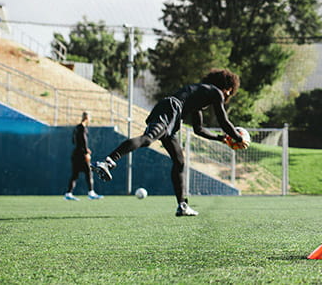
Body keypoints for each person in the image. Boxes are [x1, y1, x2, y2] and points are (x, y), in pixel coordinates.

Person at [93, 69, 247, 216]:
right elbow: (224, 121)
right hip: (171, 110)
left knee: (179, 161)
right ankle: (108, 162)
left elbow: (198, 129)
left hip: (170, 113)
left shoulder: (200, 97)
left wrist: (221, 138)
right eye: (229, 91)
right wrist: (239, 138)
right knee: (147, 139)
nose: (227, 94)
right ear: (227, 87)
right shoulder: (216, 92)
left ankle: (182, 206)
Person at [64, 111, 103, 200]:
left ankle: (68, 193)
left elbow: (74, 140)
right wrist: (86, 152)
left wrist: (83, 149)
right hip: (81, 155)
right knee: (89, 173)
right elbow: (83, 140)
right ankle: (91, 193)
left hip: (76, 153)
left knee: (75, 175)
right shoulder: (82, 128)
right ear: (87, 118)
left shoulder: (77, 128)